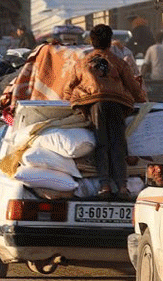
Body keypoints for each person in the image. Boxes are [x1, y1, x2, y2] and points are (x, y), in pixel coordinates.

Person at [61, 24, 148, 199]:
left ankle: (105, 185)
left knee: (102, 143)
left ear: (92, 42)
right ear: (110, 42)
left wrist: (69, 104)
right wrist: (143, 103)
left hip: (95, 104)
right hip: (117, 104)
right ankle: (122, 186)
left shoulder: (82, 62)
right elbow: (133, 88)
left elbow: (68, 89)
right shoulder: (119, 62)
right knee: (118, 144)